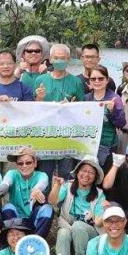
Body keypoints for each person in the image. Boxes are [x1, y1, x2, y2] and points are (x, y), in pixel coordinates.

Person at [49, 156, 106, 255]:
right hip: (68, 227)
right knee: (63, 233)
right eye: (84, 170)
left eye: (91, 172)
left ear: (95, 176)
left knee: (79, 225)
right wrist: (57, 186)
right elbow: (52, 201)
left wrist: (105, 212)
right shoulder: (68, 187)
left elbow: (98, 222)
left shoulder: (99, 194)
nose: (86, 175)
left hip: (89, 232)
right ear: (77, 172)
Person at [34, 44, 84, 179]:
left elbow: (82, 110)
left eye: (63, 58)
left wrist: (72, 106)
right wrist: (39, 97)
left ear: (69, 60)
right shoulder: (40, 80)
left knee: (66, 174)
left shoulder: (76, 82)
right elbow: (34, 111)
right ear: (50, 59)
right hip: (46, 136)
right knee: (45, 173)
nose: (59, 61)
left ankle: (66, 199)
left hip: (67, 137)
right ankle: (44, 199)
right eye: (56, 58)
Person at [0, 147, 53, 238]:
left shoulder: (41, 175)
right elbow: (7, 181)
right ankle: (13, 239)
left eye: (28, 162)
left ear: (35, 163)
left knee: (47, 209)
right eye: (20, 163)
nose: (24, 166)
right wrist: (4, 187)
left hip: (33, 219)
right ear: (17, 165)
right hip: (15, 220)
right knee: (7, 207)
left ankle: (36, 241)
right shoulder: (12, 173)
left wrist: (36, 189)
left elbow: (43, 182)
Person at [86, 65, 126, 167]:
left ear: (107, 80)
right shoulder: (86, 98)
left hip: (108, 145)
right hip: (89, 145)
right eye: (93, 79)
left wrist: (112, 111)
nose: (97, 81)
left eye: (100, 78)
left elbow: (121, 123)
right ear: (89, 81)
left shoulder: (115, 98)